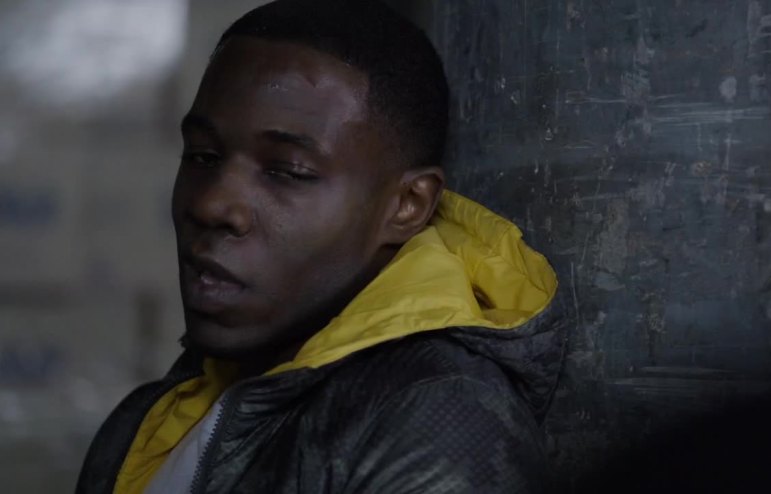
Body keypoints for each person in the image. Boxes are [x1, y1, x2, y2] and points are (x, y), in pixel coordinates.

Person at [76, 0, 563, 492]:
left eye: (287, 171)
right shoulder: (144, 424)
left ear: (407, 205)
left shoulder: (439, 424)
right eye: (202, 156)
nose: (212, 205)